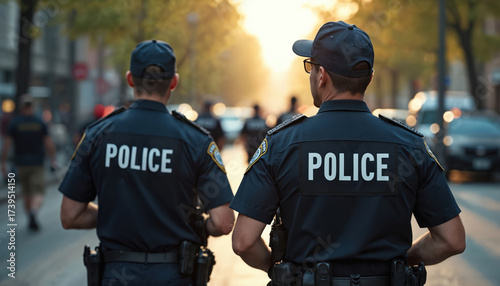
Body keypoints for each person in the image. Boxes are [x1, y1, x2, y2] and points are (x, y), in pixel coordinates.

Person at [230, 21, 465, 285]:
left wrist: (277, 270)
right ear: (370, 78)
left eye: (310, 67)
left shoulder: (281, 144)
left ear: (322, 76)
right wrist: (404, 260)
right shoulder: (411, 146)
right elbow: (452, 239)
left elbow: (244, 241)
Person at [59, 39, 234, 285]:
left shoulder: (98, 134)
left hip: (116, 275)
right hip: (175, 275)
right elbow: (224, 222)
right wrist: (199, 227)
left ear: (131, 79)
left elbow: (70, 215)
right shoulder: (197, 141)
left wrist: (118, 216)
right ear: (174, 82)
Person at [1, 94, 57, 231]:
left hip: (21, 163)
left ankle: (30, 215)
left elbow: (7, 144)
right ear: (32, 106)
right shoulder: (39, 122)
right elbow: (49, 143)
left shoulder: (15, 123)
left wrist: (3, 162)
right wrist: (52, 160)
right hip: (37, 163)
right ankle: (33, 212)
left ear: (21, 107)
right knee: (38, 191)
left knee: (26, 192)